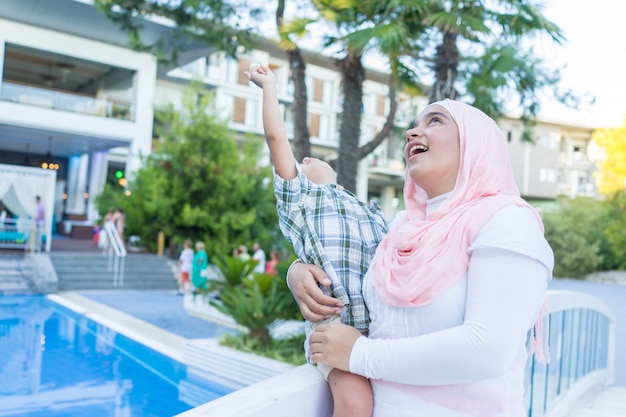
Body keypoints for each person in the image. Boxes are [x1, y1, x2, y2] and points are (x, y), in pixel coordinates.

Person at [287, 99, 554, 417]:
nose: (413, 132)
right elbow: (349, 263)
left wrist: (361, 355)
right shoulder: (402, 227)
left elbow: (487, 350)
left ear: (476, 144)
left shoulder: (507, 221)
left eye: (435, 121)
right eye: (413, 125)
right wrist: (300, 271)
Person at [246, 65, 388, 417]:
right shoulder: (304, 200)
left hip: (380, 327)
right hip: (335, 324)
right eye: (301, 163)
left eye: (309, 160)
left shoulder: (365, 210)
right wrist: (268, 87)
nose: (304, 159)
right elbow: (277, 139)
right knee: (356, 403)